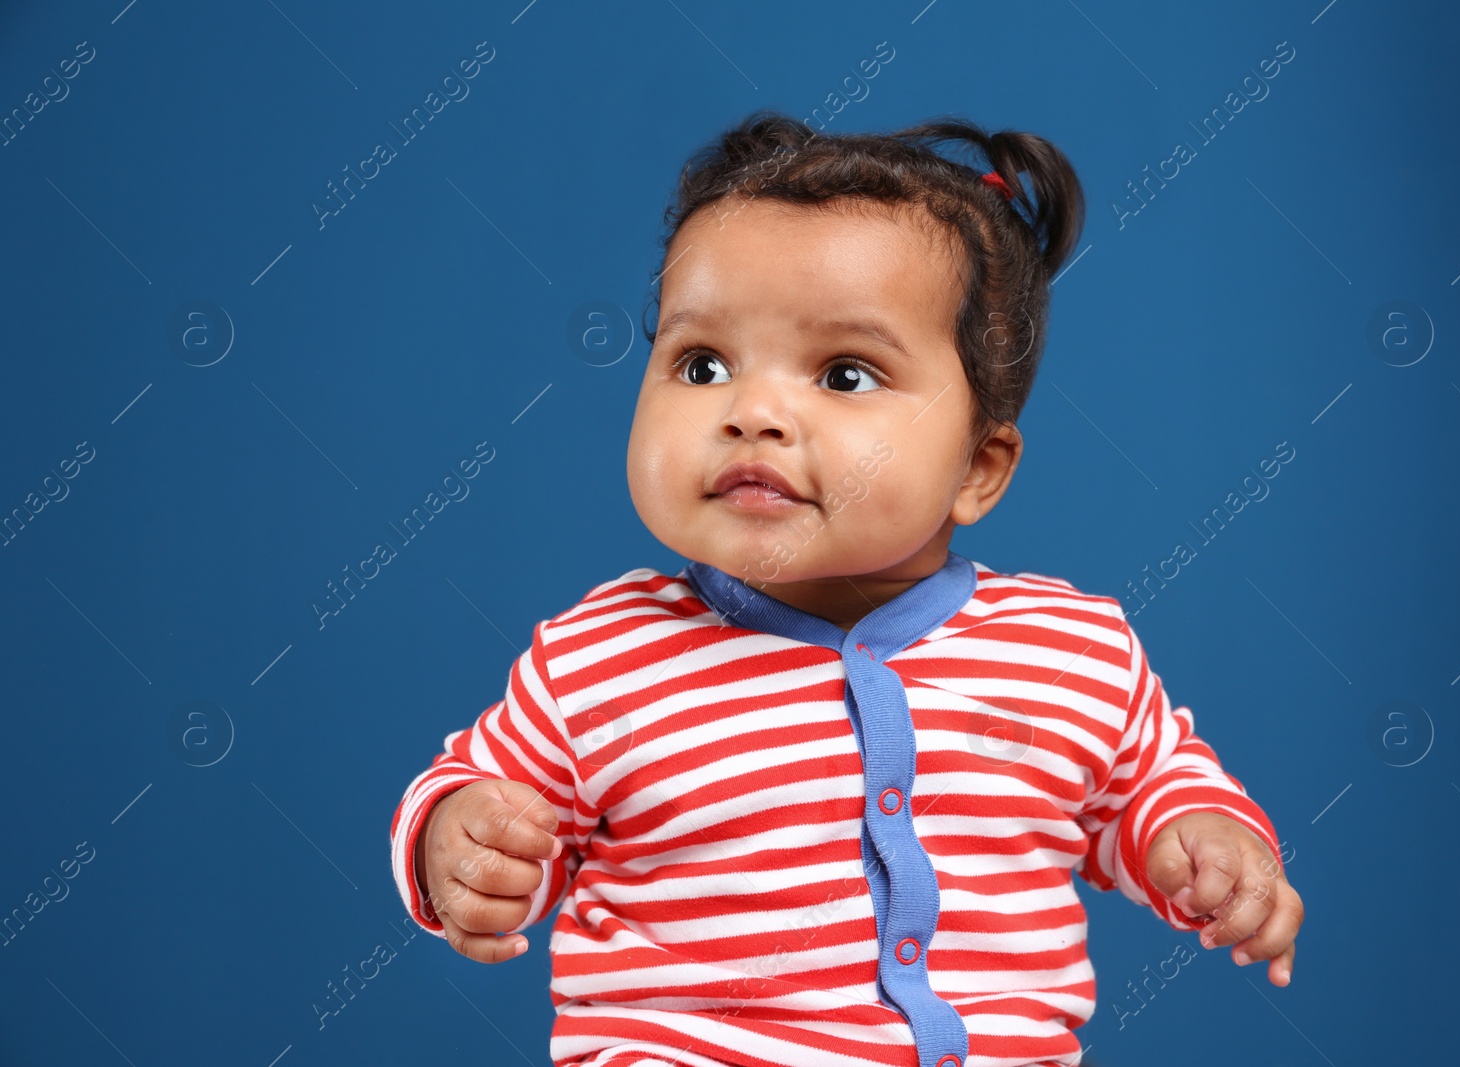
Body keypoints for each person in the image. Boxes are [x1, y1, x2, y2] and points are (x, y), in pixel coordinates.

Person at [389, 110, 1304, 1067]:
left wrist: (1201, 840)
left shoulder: (1070, 651)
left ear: (978, 470)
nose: (755, 414)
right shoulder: (601, 659)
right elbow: (474, 790)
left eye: (845, 373)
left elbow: (1148, 786)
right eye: (703, 364)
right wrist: (461, 847)